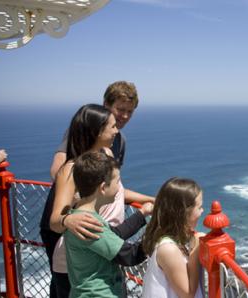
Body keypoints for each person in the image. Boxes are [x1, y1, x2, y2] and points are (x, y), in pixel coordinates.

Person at [39, 104, 152, 298]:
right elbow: (55, 221)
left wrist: (151, 200)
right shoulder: (72, 169)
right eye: (112, 126)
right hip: (79, 263)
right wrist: (67, 220)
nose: (117, 131)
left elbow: (115, 191)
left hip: (106, 249)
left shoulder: (105, 155)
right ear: (97, 131)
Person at [49, 81, 154, 206]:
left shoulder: (119, 141)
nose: (125, 116)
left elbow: (111, 188)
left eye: (130, 111)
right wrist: (79, 203)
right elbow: (57, 171)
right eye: (120, 109)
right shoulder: (86, 131)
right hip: (70, 215)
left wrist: (151, 199)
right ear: (106, 105)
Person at [65, 151, 148, 298]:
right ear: (103, 188)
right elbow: (129, 256)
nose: (119, 188)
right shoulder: (88, 223)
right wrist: (158, 233)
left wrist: (142, 213)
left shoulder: (80, 214)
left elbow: (114, 235)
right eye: (117, 182)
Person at [141, 177, 205, 298]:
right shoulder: (168, 249)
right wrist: (196, 251)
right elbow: (188, 294)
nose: (202, 211)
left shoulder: (173, 241)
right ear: (184, 212)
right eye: (199, 207)